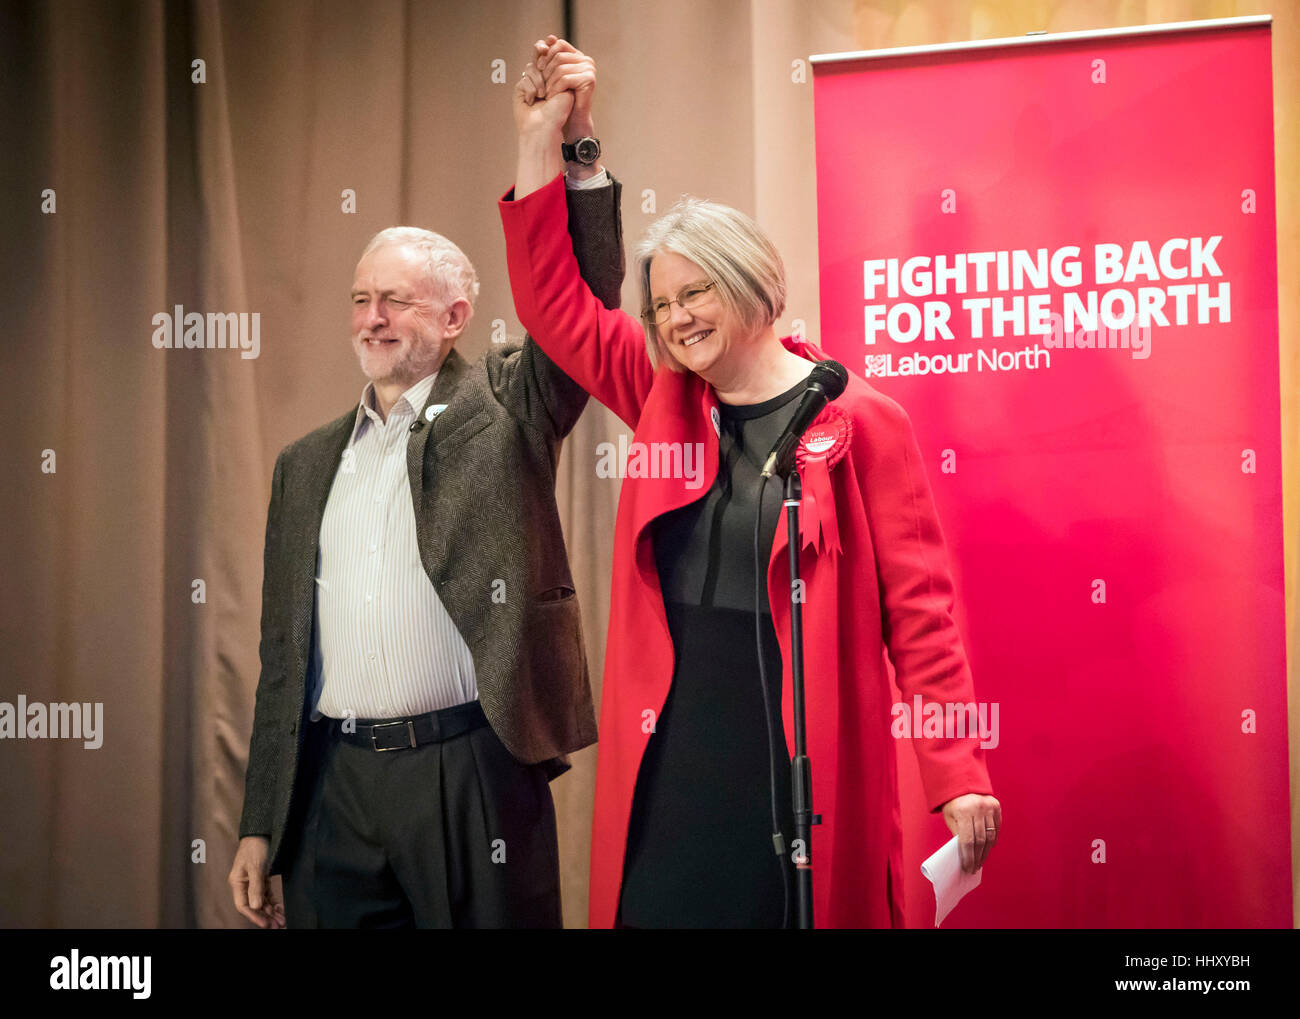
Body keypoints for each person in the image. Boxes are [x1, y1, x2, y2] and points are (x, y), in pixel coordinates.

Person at [501, 37, 1001, 928]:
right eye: (659, 304)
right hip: (672, 746)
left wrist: (956, 773)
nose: (675, 318)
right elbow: (554, 305)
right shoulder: (661, 395)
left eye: (695, 294)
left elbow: (922, 618)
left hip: (797, 745)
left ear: (751, 287)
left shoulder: (860, 418)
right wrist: (551, 141)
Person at [226, 70, 624, 927]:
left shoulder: (507, 402)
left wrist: (572, 150)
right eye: (362, 300)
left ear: (454, 317)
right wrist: (263, 820)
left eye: (395, 300)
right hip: (333, 790)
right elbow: (282, 658)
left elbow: (584, 305)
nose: (372, 317)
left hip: (471, 772)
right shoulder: (303, 464)